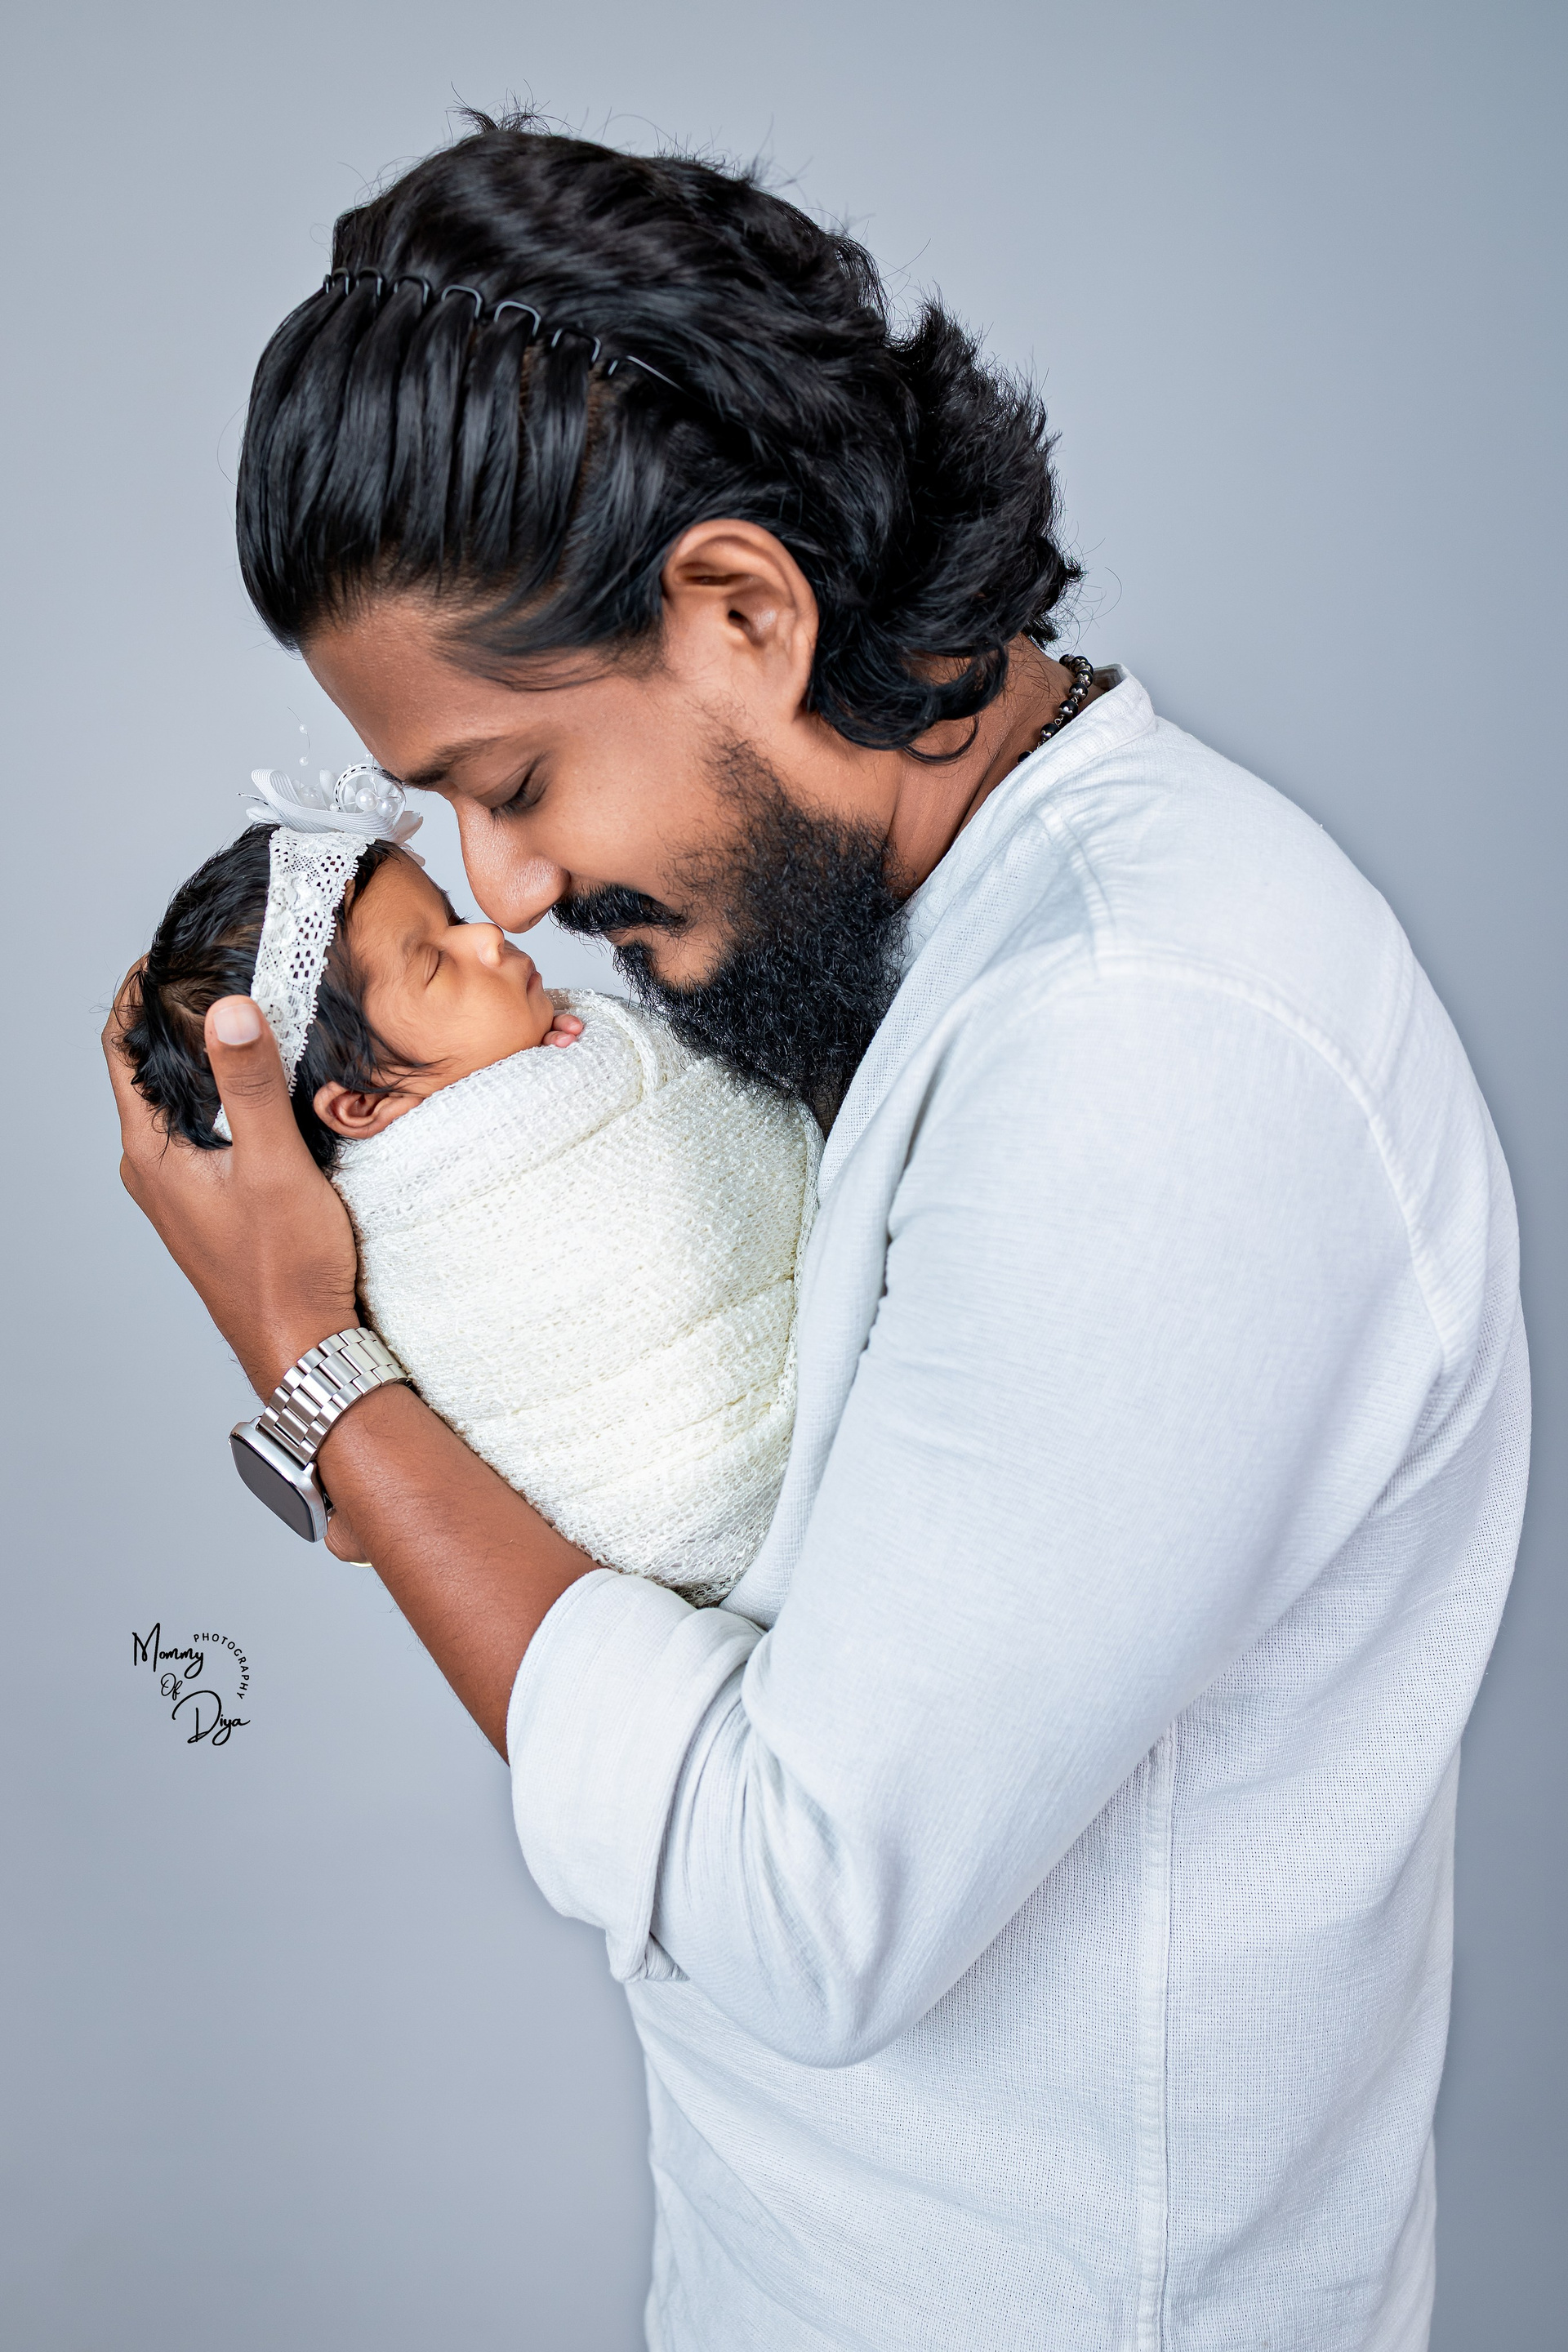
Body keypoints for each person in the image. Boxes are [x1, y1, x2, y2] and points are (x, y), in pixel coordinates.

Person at [105, 114, 1529, 2352]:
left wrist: (320, 1374)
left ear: (748, 613)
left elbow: (804, 1904)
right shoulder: (915, 958)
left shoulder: (1154, 1044)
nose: (505, 892)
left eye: (510, 782)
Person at [121, 767, 817, 1600]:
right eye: (435, 962)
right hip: (692, 1495)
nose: (487, 936)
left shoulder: (536, 1050)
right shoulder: (403, 1214)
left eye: (451, 918)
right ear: (362, 1105)